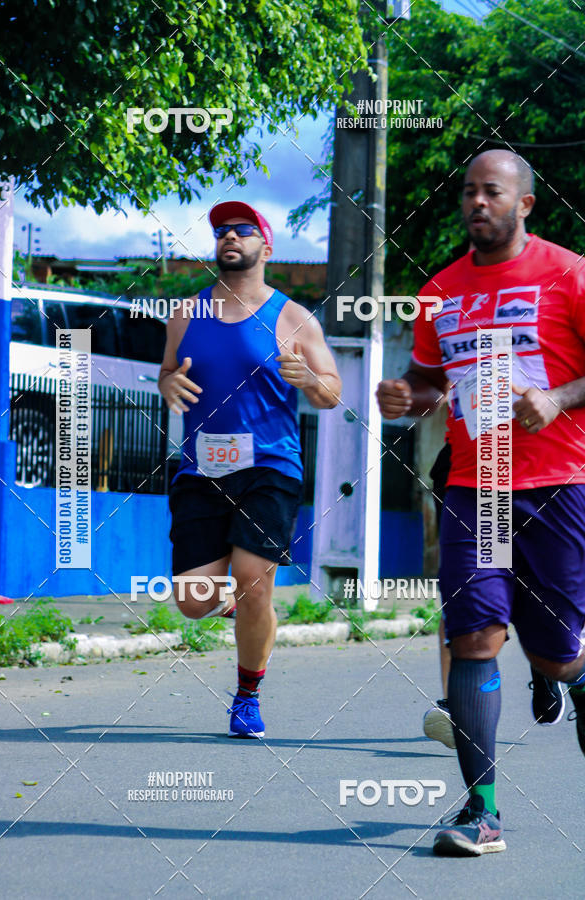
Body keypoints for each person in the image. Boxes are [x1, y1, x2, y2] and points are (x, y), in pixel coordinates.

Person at [376, 149, 585, 856]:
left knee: (556, 654)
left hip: (559, 484)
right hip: (477, 485)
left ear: (525, 203)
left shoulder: (568, 274)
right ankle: (482, 811)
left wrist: (557, 397)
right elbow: (428, 379)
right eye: (468, 192)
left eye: (491, 192)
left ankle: (569, 675)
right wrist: (408, 397)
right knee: (473, 638)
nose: (476, 202)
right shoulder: (440, 291)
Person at [158, 201, 341, 738]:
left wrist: (308, 376)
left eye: (242, 230)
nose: (229, 237)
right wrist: (167, 384)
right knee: (194, 602)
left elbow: (332, 393)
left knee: (254, 585)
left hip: (270, 467)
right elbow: (168, 372)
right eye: (221, 232)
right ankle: (246, 612)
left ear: (267, 245)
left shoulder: (291, 317)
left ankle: (247, 697)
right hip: (201, 469)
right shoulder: (185, 314)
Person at [422, 443, 565, 751]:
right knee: (467, 594)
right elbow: (430, 396)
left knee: (533, 584)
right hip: (468, 472)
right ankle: (456, 707)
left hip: (538, 471)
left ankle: (545, 660)